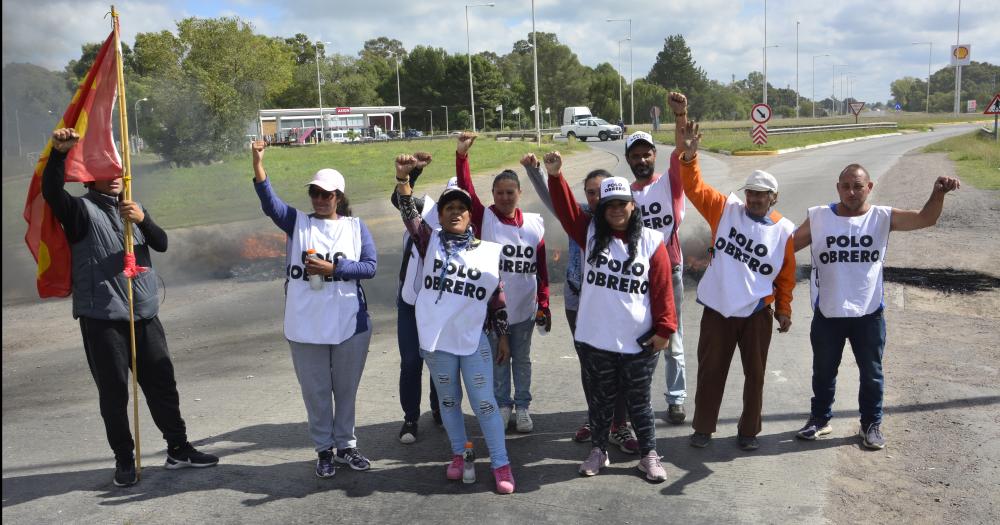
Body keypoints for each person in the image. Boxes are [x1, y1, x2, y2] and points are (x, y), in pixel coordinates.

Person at [41, 128, 218, 488]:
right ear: (92, 177)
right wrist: (59, 154)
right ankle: (124, 458)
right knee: (114, 393)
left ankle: (178, 448)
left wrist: (143, 220)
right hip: (103, 318)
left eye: (121, 172)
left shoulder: (133, 208)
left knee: (162, 384)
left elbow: (162, 244)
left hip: (144, 314)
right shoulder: (80, 210)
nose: (119, 178)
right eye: (110, 172)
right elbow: (51, 193)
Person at [792, 164, 960, 449]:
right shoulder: (819, 217)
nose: (851, 192)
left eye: (858, 186)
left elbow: (925, 218)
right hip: (828, 312)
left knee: (871, 372)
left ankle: (871, 423)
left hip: (868, 313)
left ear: (869, 187)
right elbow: (784, 248)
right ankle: (819, 420)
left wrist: (938, 193)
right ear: (838, 188)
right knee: (823, 371)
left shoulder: (882, 217)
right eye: (845, 186)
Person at [546, 151, 677, 483]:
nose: (616, 209)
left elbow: (662, 289)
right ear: (600, 210)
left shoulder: (650, 241)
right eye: (609, 205)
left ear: (633, 206)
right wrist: (556, 175)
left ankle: (648, 455)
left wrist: (665, 329)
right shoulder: (588, 234)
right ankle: (599, 450)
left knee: (639, 403)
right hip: (597, 338)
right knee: (601, 401)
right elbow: (563, 208)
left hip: (639, 341)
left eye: (622, 203)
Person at [252, 141, 377, 478]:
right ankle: (323, 450)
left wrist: (333, 270)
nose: (320, 200)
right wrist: (258, 165)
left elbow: (369, 267)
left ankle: (346, 447)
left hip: (350, 322)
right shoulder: (297, 223)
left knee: (346, 391)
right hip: (306, 323)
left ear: (339, 197)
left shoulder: (355, 227)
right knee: (317, 392)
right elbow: (270, 205)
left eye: (327, 194)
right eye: (315, 193)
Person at [394, 154, 516, 494]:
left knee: (485, 403)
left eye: (462, 207)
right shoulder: (427, 240)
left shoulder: (487, 251)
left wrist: (503, 336)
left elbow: (497, 296)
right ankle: (460, 454)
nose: (455, 211)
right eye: (449, 207)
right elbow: (408, 211)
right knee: (448, 402)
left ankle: (501, 463)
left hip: (473, 339)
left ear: (470, 214)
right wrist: (404, 178)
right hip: (436, 341)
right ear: (442, 213)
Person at [677, 121, 796, 452]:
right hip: (718, 307)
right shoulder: (725, 209)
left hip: (757, 311)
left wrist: (783, 309)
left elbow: (785, 275)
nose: (756, 199)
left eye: (763, 194)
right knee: (710, 372)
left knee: (755, 377)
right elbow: (695, 188)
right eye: (752, 193)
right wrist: (689, 156)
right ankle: (703, 428)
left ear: (774, 197)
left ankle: (749, 431)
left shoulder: (783, 230)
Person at [522, 156, 639, 454]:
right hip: (579, 301)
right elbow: (554, 199)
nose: (597, 197)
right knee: (590, 366)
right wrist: (538, 172)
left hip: (615, 304)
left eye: (602, 191)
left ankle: (619, 424)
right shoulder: (580, 218)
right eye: (590, 192)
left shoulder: (625, 220)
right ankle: (596, 418)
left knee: (620, 365)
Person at [454, 132, 550, 433]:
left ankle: (522, 406)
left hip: (525, 307)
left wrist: (544, 303)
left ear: (519, 193)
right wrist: (462, 157)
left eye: (510, 192)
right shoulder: (486, 218)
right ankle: (503, 404)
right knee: (499, 359)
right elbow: (466, 189)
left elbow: (541, 267)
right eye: (499, 192)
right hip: (495, 310)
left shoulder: (534, 223)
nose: (504, 197)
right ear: (493, 194)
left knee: (522, 360)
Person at [622, 91, 691, 426]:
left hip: (671, 271)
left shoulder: (669, 185)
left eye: (647, 153)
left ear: (653, 155)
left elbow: (681, 151)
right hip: (634, 276)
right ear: (629, 159)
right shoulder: (624, 195)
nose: (642, 159)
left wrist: (680, 116)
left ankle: (676, 400)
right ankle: (639, 402)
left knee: (672, 336)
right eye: (635, 155)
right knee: (637, 340)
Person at [388, 151, 442, 444]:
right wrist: (412, 173)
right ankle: (410, 418)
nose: (453, 211)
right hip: (410, 302)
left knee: (438, 360)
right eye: (449, 203)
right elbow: (401, 202)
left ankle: (439, 409)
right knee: (410, 362)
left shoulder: (462, 233)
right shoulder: (422, 221)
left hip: (438, 307)